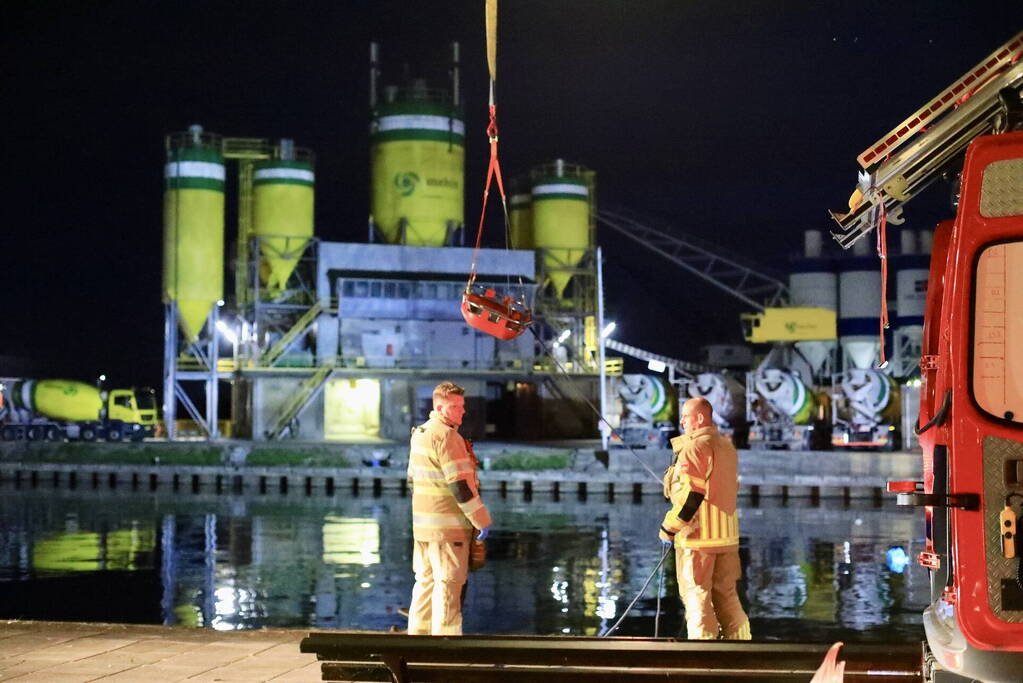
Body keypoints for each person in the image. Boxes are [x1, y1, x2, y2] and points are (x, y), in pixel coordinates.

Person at [658, 397, 751, 640]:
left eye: (685, 417)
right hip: (727, 538)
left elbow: (693, 496)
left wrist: (669, 527)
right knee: (728, 596)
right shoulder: (726, 447)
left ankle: (703, 653)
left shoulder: (694, 448)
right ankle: (742, 646)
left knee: (697, 597)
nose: (682, 422)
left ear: (699, 419)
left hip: (698, 540)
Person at [406, 382, 492, 635]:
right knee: (449, 586)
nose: (461, 412)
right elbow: (460, 487)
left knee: (424, 583)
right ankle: (446, 645)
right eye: (455, 407)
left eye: (462, 406)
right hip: (448, 529)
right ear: (440, 407)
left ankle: (416, 642)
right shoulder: (448, 437)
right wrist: (482, 521)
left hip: (422, 529)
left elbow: (411, 480)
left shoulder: (419, 434)